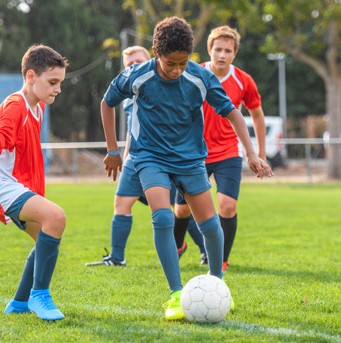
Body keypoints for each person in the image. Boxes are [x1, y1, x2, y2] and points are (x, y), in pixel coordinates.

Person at [100, 17, 273, 321]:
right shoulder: (136, 75)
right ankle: (176, 294)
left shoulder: (201, 77)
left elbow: (233, 112)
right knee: (164, 216)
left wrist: (251, 153)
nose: (177, 70)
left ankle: (217, 284)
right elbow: (107, 102)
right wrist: (113, 149)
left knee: (209, 225)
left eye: (183, 63)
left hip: (191, 159)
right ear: (156, 52)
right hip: (149, 157)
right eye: (171, 63)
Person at [86, 46, 205, 267]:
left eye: (138, 61)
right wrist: (121, 154)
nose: (134, 66)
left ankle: (205, 249)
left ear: (151, 58)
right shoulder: (129, 91)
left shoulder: (161, 83)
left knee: (177, 208)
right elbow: (130, 126)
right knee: (121, 202)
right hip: (134, 157)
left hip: (163, 156)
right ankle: (117, 257)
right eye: (129, 65)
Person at [0, 44, 69, 320]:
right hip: (0, 186)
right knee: (56, 217)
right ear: (31, 77)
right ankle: (39, 296)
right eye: (52, 82)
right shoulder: (15, 106)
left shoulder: (37, 107)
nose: (58, 89)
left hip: (17, 186)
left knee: (46, 239)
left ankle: (18, 302)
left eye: (60, 83)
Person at [172, 26, 267, 272]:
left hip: (228, 153)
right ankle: (179, 245)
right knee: (181, 210)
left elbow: (257, 115)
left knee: (227, 206)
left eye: (228, 51)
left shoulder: (243, 80)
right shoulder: (192, 72)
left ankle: (221, 261)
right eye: (218, 50)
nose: (222, 55)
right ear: (209, 50)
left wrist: (259, 153)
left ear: (234, 53)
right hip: (193, 153)